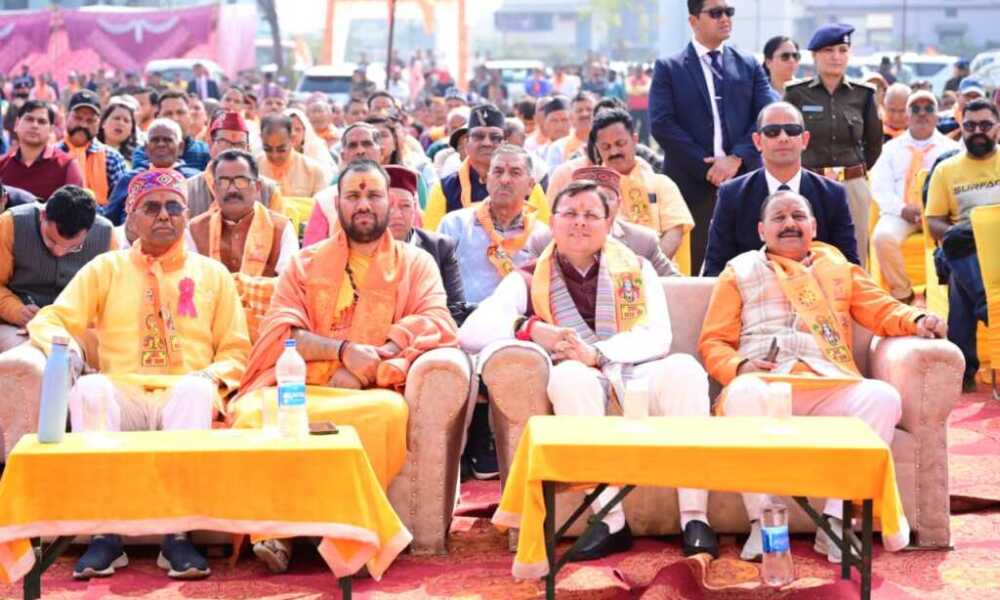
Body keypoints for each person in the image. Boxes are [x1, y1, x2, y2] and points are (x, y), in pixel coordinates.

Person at [460, 180, 719, 560]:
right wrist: (529, 328)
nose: (579, 222)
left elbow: (658, 335)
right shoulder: (529, 276)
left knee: (686, 370)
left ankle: (695, 518)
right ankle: (611, 521)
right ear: (552, 222)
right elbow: (469, 332)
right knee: (567, 378)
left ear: (608, 223)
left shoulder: (637, 268)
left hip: (638, 372)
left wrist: (597, 353)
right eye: (570, 213)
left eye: (590, 215)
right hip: (582, 378)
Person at [230, 159, 457, 573]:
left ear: (390, 203)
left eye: (373, 195)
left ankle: (349, 536)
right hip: (303, 382)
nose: (363, 204)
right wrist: (342, 352)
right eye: (353, 196)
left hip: (371, 389)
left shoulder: (416, 263)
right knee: (252, 414)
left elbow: (436, 320)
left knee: (384, 413)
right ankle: (278, 532)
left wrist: (376, 358)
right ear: (337, 204)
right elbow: (281, 330)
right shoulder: (304, 263)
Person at [699, 190, 946, 563]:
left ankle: (835, 520)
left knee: (882, 398)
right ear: (761, 230)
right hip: (766, 383)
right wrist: (740, 366)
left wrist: (917, 318)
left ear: (813, 227)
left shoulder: (838, 268)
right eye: (779, 218)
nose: (789, 224)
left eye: (798, 216)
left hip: (828, 382)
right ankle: (764, 522)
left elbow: (882, 309)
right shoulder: (739, 270)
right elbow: (714, 341)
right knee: (743, 394)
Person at [27, 170, 251, 581]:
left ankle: (177, 535)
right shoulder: (106, 268)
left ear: (187, 215)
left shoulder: (212, 274)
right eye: (151, 207)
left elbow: (236, 348)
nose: (164, 215)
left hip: (183, 393)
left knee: (195, 392)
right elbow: (53, 319)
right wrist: (69, 350)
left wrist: (210, 377)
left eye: (173, 207)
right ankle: (105, 535)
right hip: (123, 391)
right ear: (131, 216)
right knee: (90, 389)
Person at [650, 0, 776, 274]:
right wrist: (708, 167)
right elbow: (661, 124)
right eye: (716, 13)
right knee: (694, 269)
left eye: (729, 12)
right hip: (691, 183)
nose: (725, 18)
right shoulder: (669, 68)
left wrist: (736, 158)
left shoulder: (748, 65)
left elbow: (766, 115)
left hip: (743, 179)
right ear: (693, 21)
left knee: (750, 265)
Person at [704, 102, 859, 276]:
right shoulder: (732, 194)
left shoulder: (832, 194)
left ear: (805, 139)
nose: (783, 137)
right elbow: (716, 267)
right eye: (772, 131)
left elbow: (848, 264)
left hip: (818, 288)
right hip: (751, 289)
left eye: (792, 130)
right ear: (757, 141)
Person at [785, 23, 883, 268]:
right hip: (809, 183)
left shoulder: (863, 94)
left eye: (842, 50)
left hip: (852, 182)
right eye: (828, 51)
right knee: (805, 250)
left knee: (855, 253)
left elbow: (874, 143)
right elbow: (786, 138)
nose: (836, 57)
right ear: (815, 56)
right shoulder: (796, 94)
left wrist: (854, 171)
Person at [925, 97, 1000, 392]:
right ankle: (989, 308)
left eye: (985, 125)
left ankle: (964, 368)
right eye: (970, 126)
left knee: (960, 278)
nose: (978, 131)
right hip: (965, 247)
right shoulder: (946, 169)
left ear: (997, 127)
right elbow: (934, 222)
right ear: (961, 126)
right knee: (957, 246)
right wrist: (969, 232)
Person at [189, 150, 297, 340]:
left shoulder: (281, 228)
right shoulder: (195, 229)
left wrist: (235, 286)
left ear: (257, 186)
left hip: (266, 331)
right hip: (207, 330)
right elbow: (188, 285)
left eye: (241, 181)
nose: (232, 189)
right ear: (214, 188)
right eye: (223, 182)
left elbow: (288, 286)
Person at [0, 185, 114, 352]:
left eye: (74, 247)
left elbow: (109, 300)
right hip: (16, 326)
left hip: (77, 331)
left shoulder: (106, 235)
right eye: (51, 241)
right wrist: (16, 310)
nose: (59, 252)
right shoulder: (11, 223)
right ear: (43, 215)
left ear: (90, 229)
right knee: (28, 353)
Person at [871, 91, 959, 303]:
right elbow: (880, 188)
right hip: (902, 212)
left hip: (940, 214)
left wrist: (937, 212)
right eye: (916, 109)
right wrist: (902, 209)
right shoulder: (890, 149)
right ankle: (902, 293)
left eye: (928, 109)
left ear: (937, 116)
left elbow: (957, 188)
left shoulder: (953, 149)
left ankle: (940, 291)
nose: (922, 114)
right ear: (907, 115)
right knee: (882, 237)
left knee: (958, 237)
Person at [424, 104, 551, 231]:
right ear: (466, 142)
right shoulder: (446, 188)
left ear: (505, 143)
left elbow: (543, 234)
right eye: (478, 136)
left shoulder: (527, 186)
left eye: (495, 137)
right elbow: (432, 238)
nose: (486, 143)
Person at [589, 108, 693, 260]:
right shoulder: (590, 191)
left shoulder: (662, 184)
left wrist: (648, 268)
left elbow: (675, 231)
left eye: (620, 143)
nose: (614, 152)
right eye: (606, 147)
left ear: (635, 140)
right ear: (597, 148)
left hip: (658, 270)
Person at [385, 164, 471, 324]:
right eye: (389, 206)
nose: (397, 214)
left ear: (415, 208)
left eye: (405, 206)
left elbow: (455, 309)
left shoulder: (440, 247)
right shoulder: (362, 248)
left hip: (431, 331)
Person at [572, 165, 680, 276]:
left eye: (607, 198)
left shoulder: (643, 241)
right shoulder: (560, 238)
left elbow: (675, 281)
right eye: (590, 199)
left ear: (618, 203)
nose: (600, 205)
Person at [186, 112, 284, 219]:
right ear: (210, 145)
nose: (232, 150)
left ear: (248, 150)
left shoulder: (269, 190)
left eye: (239, 145)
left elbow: (279, 227)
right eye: (224, 143)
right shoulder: (188, 189)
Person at [104, 119, 201, 225]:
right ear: (146, 148)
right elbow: (110, 219)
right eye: (155, 140)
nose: (161, 144)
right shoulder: (130, 179)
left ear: (181, 147)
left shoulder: (195, 180)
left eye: (168, 140)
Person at [301, 123, 384, 246]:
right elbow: (311, 251)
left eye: (367, 144)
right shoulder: (326, 200)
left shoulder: (399, 193)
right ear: (343, 155)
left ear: (381, 152)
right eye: (353, 146)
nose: (360, 151)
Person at [58, 90, 129, 207]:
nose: (83, 125)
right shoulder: (53, 155)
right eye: (78, 118)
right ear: (66, 117)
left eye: (90, 120)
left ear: (99, 123)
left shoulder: (112, 158)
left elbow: (121, 204)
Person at [0, 101, 84, 200]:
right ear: (17, 124)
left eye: (42, 121)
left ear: (51, 130)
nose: (34, 125)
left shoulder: (67, 165)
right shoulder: (2, 164)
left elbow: (76, 207)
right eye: (29, 119)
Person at [132, 91, 211, 172]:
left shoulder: (205, 152)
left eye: (180, 113)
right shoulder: (143, 153)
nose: (175, 118)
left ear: (190, 116)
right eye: (168, 114)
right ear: (158, 117)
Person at [257, 114, 329, 198]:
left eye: (281, 150)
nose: (274, 155)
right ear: (261, 138)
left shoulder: (313, 170)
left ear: (291, 139)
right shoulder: (254, 167)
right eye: (268, 149)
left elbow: (320, 204)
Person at [285, 107, 336, 184]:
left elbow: (325, 180)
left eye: (298, 129)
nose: (293, 134)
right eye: (288, 129)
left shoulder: (316, 152)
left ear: (304, 133)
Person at [545, 92, 595, 170]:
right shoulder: (557, 148)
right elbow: (553, 176)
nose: (585, 114)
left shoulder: (606, 144)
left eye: (589, 110)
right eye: (579, 110)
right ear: (571, 117)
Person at [97, 101, 139, 166]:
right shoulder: (91, 150)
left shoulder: (137, 157)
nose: (121, 123)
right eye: (116, 118)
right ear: (103, 123)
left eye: (126, 120)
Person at [626, 65, 652, 146]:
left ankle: (646, 145)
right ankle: (631, 144)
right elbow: (629, 90)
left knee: (646, 128)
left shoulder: (647, 79)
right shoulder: (629, 79)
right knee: (631, 128)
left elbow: (647, 90)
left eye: (640, 70)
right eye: (637, 70)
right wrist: (641, 91)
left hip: (645, 108)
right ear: (635, 71)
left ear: (642, 71)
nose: (638, 72)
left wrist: (636, 89)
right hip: (633, 108)